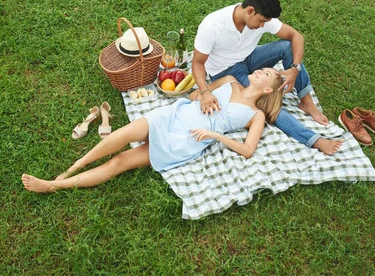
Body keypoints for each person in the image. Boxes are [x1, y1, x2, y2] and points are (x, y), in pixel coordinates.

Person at [22, 69, 288, 194]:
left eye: (265, 74)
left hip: (188, 137)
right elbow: (198, 92)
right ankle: (71, 168)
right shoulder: (230, 82)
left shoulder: (256, 115)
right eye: (262, 69)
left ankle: (55, 185)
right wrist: (204, 96)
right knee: (122, 134)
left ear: (267, 89)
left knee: (120, 161)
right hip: (175, 115)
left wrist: (216, 136)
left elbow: (248, 150)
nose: (259, 71)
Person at [192, 0, 343, 156]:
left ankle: (306, 101)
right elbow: (197, 63)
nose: (263, 26)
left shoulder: (259, 16)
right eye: (262, 21)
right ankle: (315, 140)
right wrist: (205, 92)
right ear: (250, 11)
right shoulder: (213, 25)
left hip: (248, 57)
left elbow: (296, 37)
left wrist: (294, 69)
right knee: (269, 103)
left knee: (287, 47)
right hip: (227, 71)